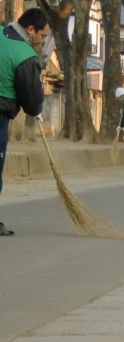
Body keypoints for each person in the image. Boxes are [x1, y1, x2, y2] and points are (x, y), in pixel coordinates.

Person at [0, 8, 49, 236]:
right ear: (31, 29)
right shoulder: (25, 55)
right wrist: (36, 109)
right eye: (42, 35)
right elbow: (31, 100)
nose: (43, 40)